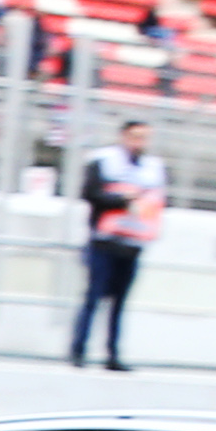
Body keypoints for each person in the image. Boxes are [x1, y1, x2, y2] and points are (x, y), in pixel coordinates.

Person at [69, 119, 166, 371]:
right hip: (103, 242)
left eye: (144, 137)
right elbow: (90, 193)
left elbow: (159, 202)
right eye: (135, 136)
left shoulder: (153, 168)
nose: (139, 142)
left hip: (133, 244)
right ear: (123, 136)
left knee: (119, 303)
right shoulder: (104, 160)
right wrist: (122, 200)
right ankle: (78, 351)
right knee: (93, 298)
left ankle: (113, 354)